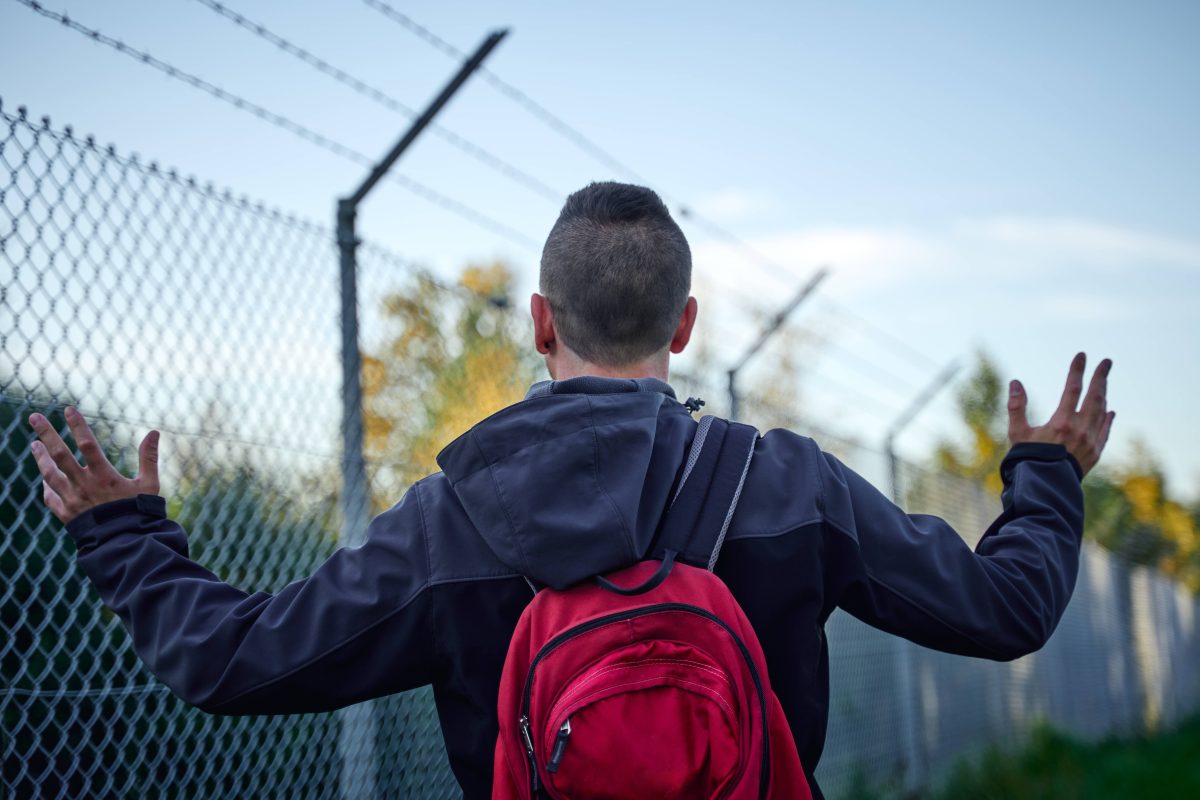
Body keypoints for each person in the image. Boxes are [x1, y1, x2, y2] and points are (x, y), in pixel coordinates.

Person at [28, 182, 1114, 799]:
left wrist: (125, 536)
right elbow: (1005, 607)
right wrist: (1047, 473)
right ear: (685, 327)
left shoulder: (450, 520)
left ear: (540, 321)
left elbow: (234, 660)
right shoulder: (789, 485)